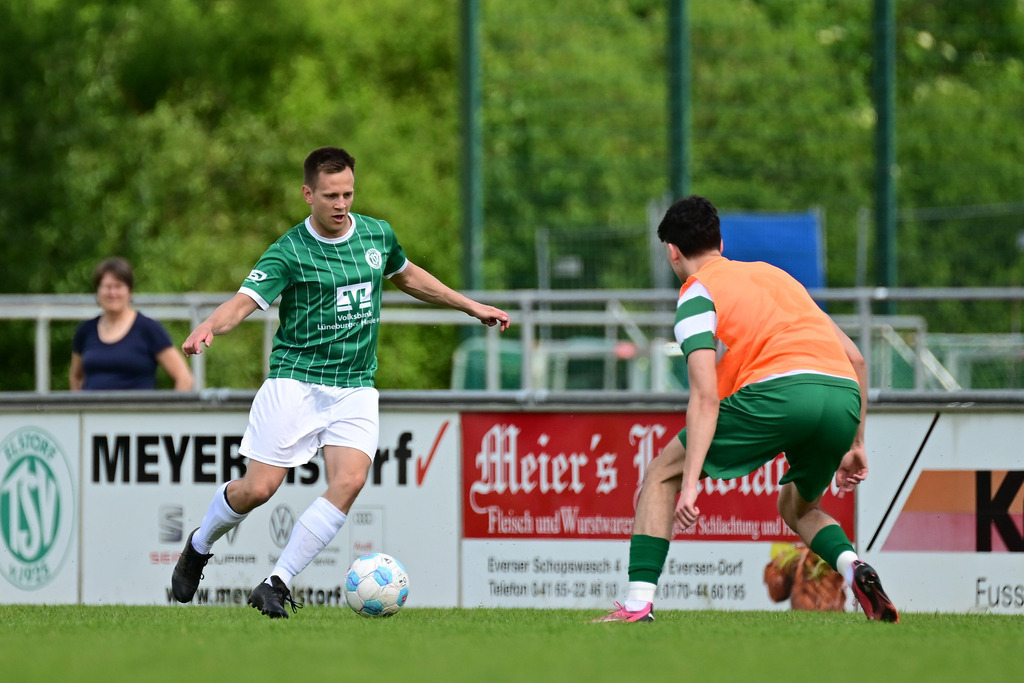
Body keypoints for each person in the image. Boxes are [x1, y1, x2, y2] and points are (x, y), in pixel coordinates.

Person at [171, 146, 510, 618]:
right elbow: (243, 302)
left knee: (349, 481)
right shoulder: (289, 251)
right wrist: (209, 326)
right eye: (330, 195)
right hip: (296, 381)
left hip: (355, 385)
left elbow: (408, 276)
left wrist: (471, 306)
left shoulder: (376, 234)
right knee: (259, 489)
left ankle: (276, 582)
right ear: (308, 193)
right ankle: (200, 542)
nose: (341, 203)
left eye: (348, 193)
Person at [592, 195, 898, 623]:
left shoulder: (696, 294)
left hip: (781, 392)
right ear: (720, 240)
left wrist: (692, 481)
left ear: (672, 251)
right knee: (798, 508)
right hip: (843, 394)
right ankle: (854, 568)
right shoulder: (776, 276)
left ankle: (638, 603)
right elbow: (858, 359)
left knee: (662, 474)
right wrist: (857, 443)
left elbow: (703, 397)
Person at [70, 257, 194, 391]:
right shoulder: (86, 330)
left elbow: (184, 377)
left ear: (129, 291)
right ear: (97, 291)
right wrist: (79, 409)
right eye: (107, 287)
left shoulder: (148, 328)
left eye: (118, 286)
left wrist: (170, 411)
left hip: (137, 411)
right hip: (93, 411)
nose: (113, 293)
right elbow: (76, 376)